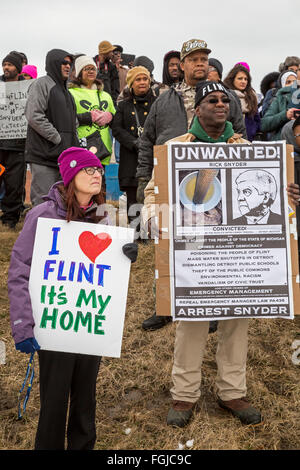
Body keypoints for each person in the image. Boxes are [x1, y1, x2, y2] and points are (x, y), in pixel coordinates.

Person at [142, 81, 261, 428]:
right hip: (193, 251)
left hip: (237, 252)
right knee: (192, 321)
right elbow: (153, 193)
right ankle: (185, 392)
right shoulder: (175, 149)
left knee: (236, 320)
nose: (221, 104)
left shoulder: (246, 148)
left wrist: (290, 195)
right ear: (198, 109)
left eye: (225, 100)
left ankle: (232, 392)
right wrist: (152, 219)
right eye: (212, 99)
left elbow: (263, 190)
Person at [8, 146, 138, 450]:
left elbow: (102, 268)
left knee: (85, 398)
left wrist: (124, 257)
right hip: (54, 325)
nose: (97, 175)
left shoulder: (103, 217)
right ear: (70, 176)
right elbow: (19, 269)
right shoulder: (42, 215)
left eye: (98, 170)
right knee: (54, 402)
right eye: (88, 170)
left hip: (88, 325)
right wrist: (22, 323)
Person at [136, 39, 246, 331]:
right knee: (168, 245)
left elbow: (242, 138)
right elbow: (148, 141)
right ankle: (166, 305)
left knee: (212, 248)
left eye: (204, 59)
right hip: (172, 183)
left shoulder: (225, 96)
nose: (200, 63)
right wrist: (144, 178)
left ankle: (212, 307)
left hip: (214, 185)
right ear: (180, 65)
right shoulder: (164, 98)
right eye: (193, 59)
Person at [25, 49, 79, 207]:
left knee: (61, 202)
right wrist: (57, 138)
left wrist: (72, 142)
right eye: (64, 62)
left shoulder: (67, 91)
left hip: (64, 156)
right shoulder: (41, 84)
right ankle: (36, 232)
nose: (68, 66)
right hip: (43, 155)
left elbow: (72, 121)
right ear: (54, 63)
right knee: (43, 202)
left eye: (70, 63)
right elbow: (33, 115)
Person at [112, 66, 157, 235]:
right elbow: (116, 129)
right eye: (138, 79)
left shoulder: (157, 102)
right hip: (131, 158)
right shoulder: (123, 106)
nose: (142, 82)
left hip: (153, 157)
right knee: (133, 197)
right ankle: (137, 234)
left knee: (153, 195)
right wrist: (133, 142)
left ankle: (153, 232)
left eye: (145, 79)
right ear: (131, 84)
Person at [68, 55, 116, 195]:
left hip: (103, 150)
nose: (90, 71)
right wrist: (88, 117)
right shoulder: (71, 93)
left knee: (100, 189)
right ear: (78, 73)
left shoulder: (105, 95)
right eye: (86, 69)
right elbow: (67, 119)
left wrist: (110, 117)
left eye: (92, 68)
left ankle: (100, 216)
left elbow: (116, 120)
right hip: (82, 147)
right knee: (82, 188)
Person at [0, 51, 26, 229]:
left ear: (18, 67)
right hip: (0, 143)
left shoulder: (28, 87)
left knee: (14, 184)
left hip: (19, 145)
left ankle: (10, 219)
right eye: (4, 64)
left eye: (9, 64)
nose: (6, 68)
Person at [223, 64, 260, 141]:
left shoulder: (252, 97)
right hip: (230, 141)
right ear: (232, 79)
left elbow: (257, 120)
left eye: (246, 79)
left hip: (250, 141)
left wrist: (253, 130)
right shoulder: (224, 96)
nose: (243, 81)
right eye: (240, 78)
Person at [260, 72, 299, 141]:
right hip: (284, 143)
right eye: (288, 82)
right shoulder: (279, 99)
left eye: (295, 81)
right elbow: (264, 124)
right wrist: (285, 115)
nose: (292, 84)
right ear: (282, 84)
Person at [94, 41, 120, 105]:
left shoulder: (112, 67)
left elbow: (115, 89)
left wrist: (113, 103)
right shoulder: (91, 64)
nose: (112, 54)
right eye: (111, 51)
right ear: (105, 52)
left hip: (107, 102)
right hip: (92, 101)